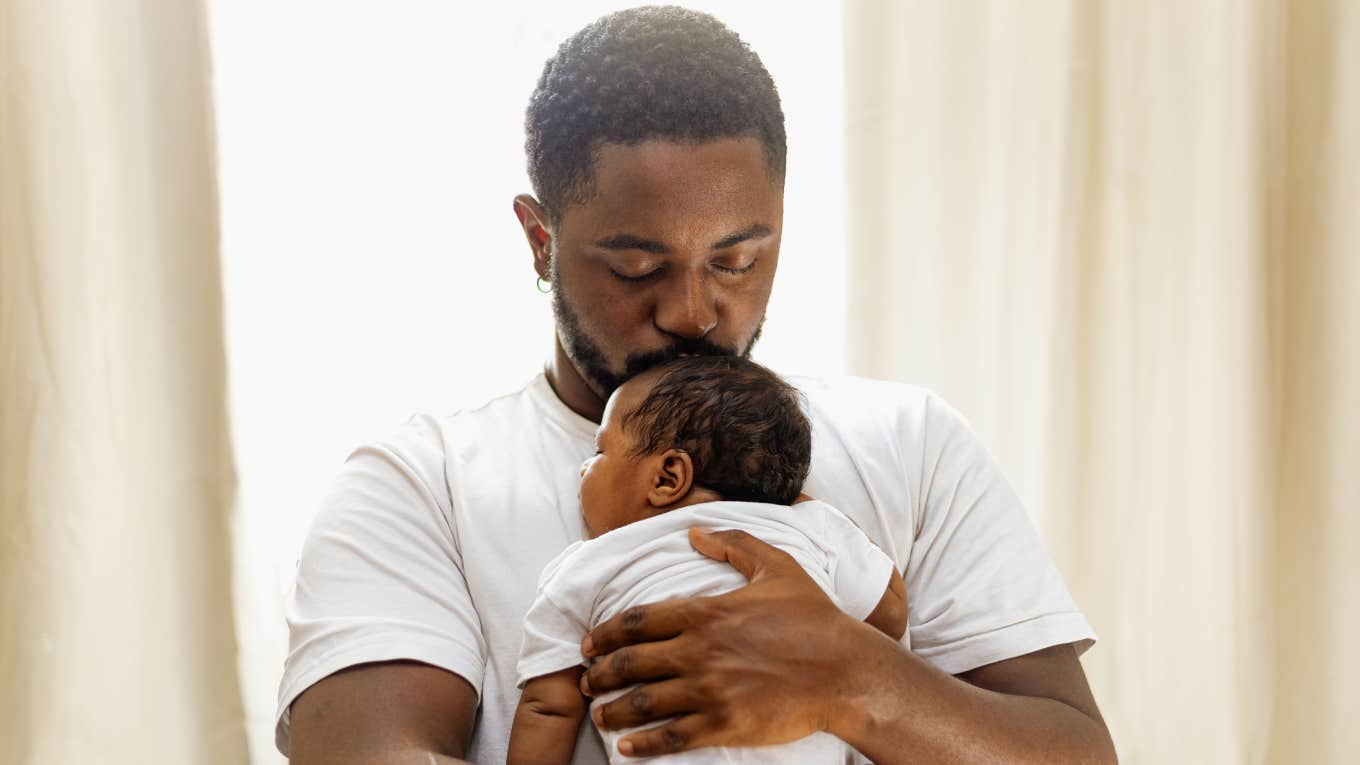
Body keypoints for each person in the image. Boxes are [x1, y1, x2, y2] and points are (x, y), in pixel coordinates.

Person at [277, 6, 1116, 764]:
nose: (694, 311)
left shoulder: (912, 443)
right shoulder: (421, 485)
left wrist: (855, 679)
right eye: (638, 265)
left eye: (738, 259)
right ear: (540, 240)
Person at [507, 356, 907, 764]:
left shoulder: (583, 566)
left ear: (667, 478)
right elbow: (889, 614)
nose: (583, 469)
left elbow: (548, 707)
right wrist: (814, 513)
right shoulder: (804, 527)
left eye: (599, 450)